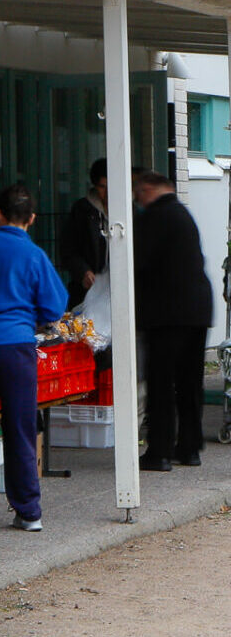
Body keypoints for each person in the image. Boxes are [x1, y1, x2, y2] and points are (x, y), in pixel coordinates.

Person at [0, 182, 68, 532]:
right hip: (17, 348)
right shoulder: (34, 256)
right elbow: (54, 306)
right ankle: (28, 511)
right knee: (20, 429)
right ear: (32, 218)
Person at [132, 170, 215, 471]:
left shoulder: (155, 217)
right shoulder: (181, 214)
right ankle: (190, 447)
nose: (137, 199)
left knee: (162, 382)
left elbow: (138, 260)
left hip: (167, 313)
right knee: (190, 382)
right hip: (197, 310)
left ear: (150, 190)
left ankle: (160, 451)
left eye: (139, 192)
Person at [62, 158, 109, 309]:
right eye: (102, 187)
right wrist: (83, 271)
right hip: (89, 290)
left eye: (111, 186)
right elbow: (68, 249)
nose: (107, 193)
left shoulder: (130, 210)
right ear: (95, 186)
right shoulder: (82, 210)